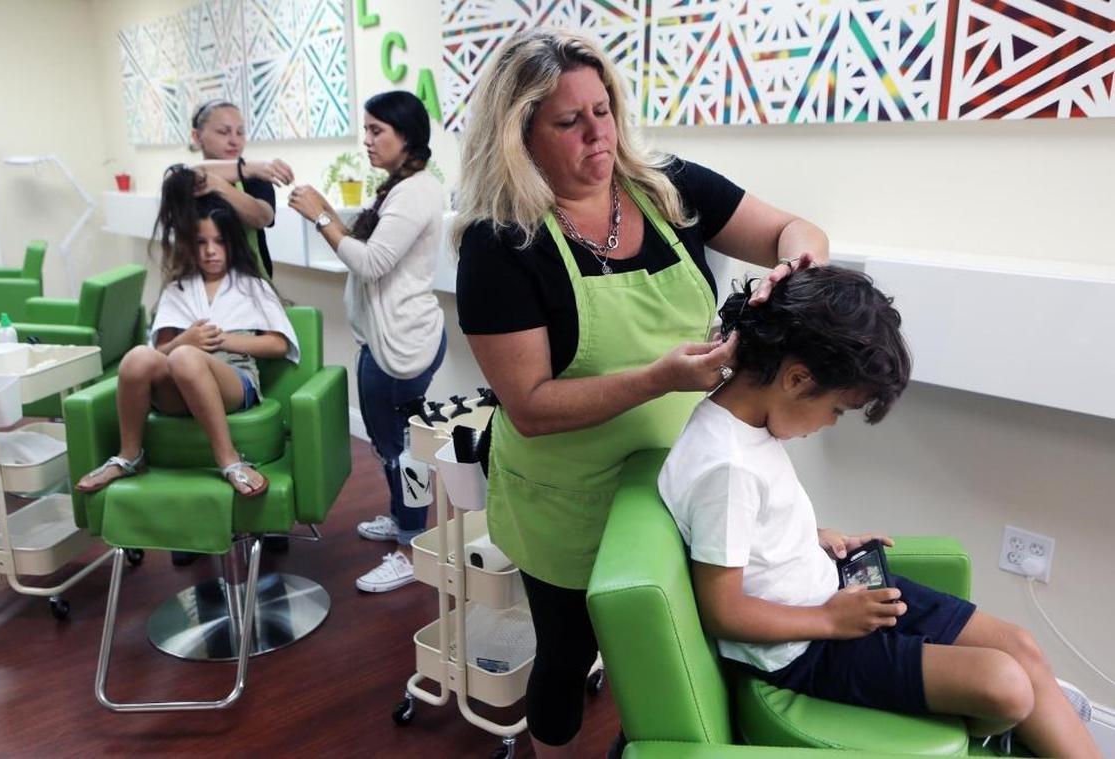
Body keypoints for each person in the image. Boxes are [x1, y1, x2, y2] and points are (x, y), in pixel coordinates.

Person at [453, 28, 828, 757]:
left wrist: (797, 268)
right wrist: (660, 377)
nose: (599, 133)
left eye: (604, 110)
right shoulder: (500, 245)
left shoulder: (668, 188)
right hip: (568, 497)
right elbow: (529, 406)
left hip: (681, 481)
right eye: (570, 121)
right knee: (567, 653)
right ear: (520, 137)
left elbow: (793, 228)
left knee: (674, 653)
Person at [658, 267, 1101, 759]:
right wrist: (829, 621)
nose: (831, 423)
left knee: (1020, 645)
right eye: (837, 410)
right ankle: (1000, 725)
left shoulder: (746, 430)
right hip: (806, 648)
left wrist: (810, 537)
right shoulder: (727, 466)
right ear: (797, 378)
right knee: (1009, 688)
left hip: (834, 592)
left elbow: (745, 530)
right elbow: (723, 611)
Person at [288, 91, 446, 593]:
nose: (367, 140)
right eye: (366, 129)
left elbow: (372, 262)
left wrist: (320, 218)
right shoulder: (400, 187)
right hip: (387, 342)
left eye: (377, 130)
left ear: (407, 136)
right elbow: (365, 248)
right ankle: (403, 520)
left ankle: (413, 547)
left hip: (401, 345)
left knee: (402, 449)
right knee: (391, 445)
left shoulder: (416, 191)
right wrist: (326, 212)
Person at [75, 166, 300, 498]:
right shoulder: (178, 290)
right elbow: (160, 353)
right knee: (138, 357)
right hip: (178, 389)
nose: (210, 251)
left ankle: (229, 459)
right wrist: (184, 341)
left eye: (219, 242)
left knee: (185, 358)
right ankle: (129, 455)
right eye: (201, 242)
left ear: (232, 243)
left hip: (235, 381)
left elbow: (279, 344)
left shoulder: (251, 285)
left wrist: (224, 340)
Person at [188, 98, 295, 278]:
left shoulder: (256, 178)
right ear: (197, 137)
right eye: (223, 132)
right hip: (201, 284)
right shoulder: (186, 182)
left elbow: (262, 217)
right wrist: (245, 168)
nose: (234, 141)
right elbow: (193, 175)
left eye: (240, 132)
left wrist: (220, 186)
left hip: (253, 284)